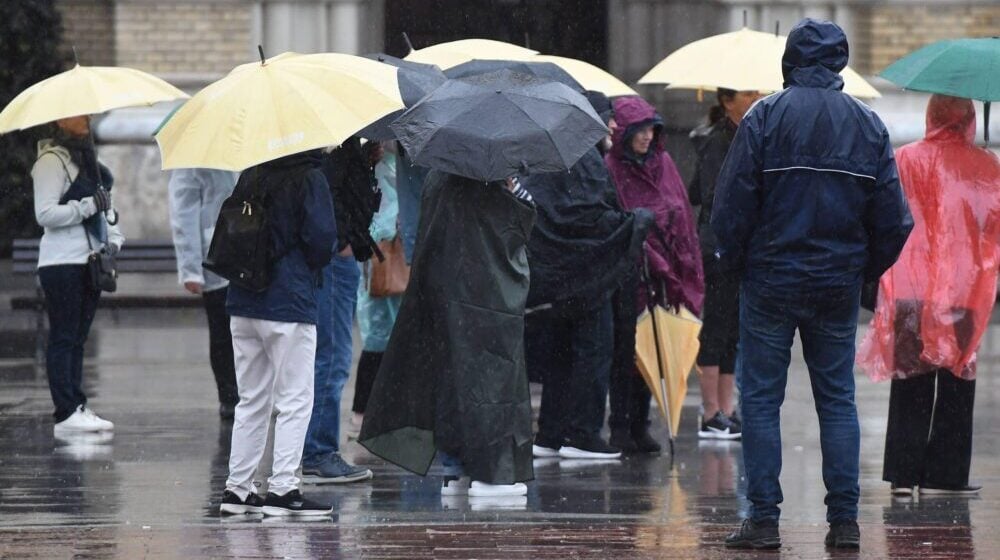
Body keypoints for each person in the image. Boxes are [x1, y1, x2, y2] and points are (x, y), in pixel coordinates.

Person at [712, 19, 913, 550]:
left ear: (791, 61)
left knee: (759, 399)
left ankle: (763, 519)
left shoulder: (765, 118)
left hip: (771, 280)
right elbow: (895, 221)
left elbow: (731, 206)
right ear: (839, 62)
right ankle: (844, 522)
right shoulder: (868, 125)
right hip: (834, 285)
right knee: (837, 400)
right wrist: (862, 271)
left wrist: (737, 263)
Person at [360, 172, 536, 498]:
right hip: (485, 298)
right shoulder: (489, 187)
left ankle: (454, 469)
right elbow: (511, 237)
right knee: (489, 382)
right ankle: (490, 473)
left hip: (443, 293)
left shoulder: (437, 179)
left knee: (452, 379)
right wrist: (513, 197)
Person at [858, 95, 1000, 497]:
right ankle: (946, 474)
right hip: (963, 291)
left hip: (909, 288)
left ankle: (903, 475)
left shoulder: (904, 159)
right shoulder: (986, 166)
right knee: (957, 379)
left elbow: (885, 215)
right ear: (970, 119)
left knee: (910, 381)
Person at [525, 91, 653, 460]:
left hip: (566, 277)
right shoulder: (584, 160)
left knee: (562, 355)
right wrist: (636, 222)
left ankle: (551, 432)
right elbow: (588, 218)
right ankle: (582, 432)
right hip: (587, 277)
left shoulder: (558, 156)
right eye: (606, 117)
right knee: (592, 349)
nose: (614, 124)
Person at [220, 150, 337, 517]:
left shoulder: (250, 173)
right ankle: (284, 489)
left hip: (243, 298)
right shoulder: (309, 177)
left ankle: (237, 490)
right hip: (288, 300)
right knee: (296, 398)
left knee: (252, 399)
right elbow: (322, 240)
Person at [605, 95, 704, 454]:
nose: (647, 137)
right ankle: (620, 424)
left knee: (657, 344)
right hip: (630, 270)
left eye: (651, 129)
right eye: (639, 130)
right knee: (628, 348)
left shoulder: (663, 164)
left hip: (663, 272)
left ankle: (640, 422)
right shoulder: (612, 168)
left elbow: (679, 209)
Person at [32, 115, 124, 435]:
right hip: (61, 263)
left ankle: (77, 404)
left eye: (88, 112)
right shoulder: (50, 162)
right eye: (77, 113)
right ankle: (65, 411)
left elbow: (107, 213)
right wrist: (85, 207)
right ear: (59, 120)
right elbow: (44, 213)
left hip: (90, 261)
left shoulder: (92, 163)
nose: (85, 118)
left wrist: (113, 240)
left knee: (79, 339)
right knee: (64, 336)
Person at [300, 137, 380, 485]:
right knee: (331, 357)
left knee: (328, 356)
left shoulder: (338, 146)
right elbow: (331, 201)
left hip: (336, 258)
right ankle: (318, 452)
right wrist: (344, 243)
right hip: (334, 262)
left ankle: (315, 449)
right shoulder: (329, 149)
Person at [688, 88, 760, 440]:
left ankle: (727, 409)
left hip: (739, 247)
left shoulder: (747, 137)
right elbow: (707, 194)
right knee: (716, 327)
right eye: (747, 94)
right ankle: (710, 411)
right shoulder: (718, 143)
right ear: (727, 102)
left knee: (733, 328)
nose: (756, 97)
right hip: (719, 248)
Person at [168, 168, 239, 419]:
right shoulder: (193, 159)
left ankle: (251, 392)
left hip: (249, 252)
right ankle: (229, 395)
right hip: (216, 254)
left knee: (250, 332)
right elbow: (184, 210)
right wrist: (190, 268)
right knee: (222, 330)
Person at [351, 146, 403, 424]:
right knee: (380, 338)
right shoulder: (389, 168)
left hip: (381, 259)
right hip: (385, 257)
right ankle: (365, 411)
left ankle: (365, 411)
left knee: (380, 339)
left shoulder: (385, 166)